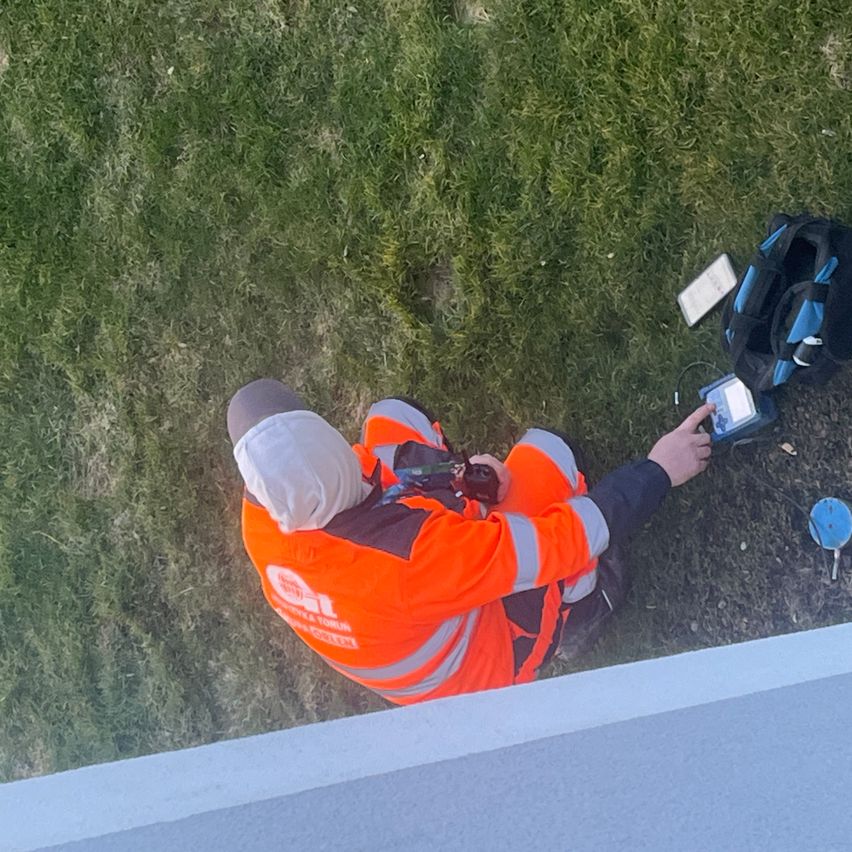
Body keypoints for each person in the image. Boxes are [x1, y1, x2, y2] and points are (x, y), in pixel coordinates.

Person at [228, 378, 714, 705]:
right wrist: (659, 471)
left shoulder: (264, 515)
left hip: (416, 605)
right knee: (551, 453)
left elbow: (372, 472)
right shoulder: (417, 560)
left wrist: (461, 479)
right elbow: (559, 540)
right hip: (488, 662)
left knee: (391, 415)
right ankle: (578, 613)